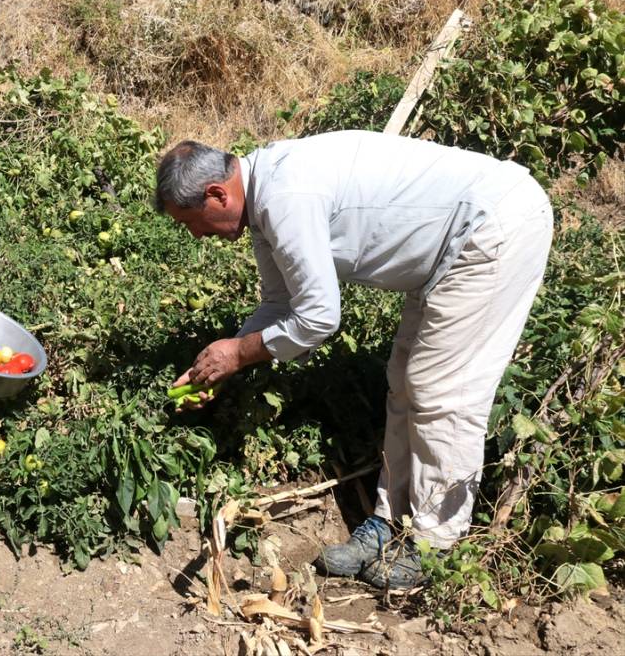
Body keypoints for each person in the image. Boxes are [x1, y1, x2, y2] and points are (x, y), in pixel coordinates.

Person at [156, 130, 552, 588]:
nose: (197, 235)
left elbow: (320, 317)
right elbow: (281, 305)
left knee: (443, 390)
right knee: (404, 380)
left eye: (191, 221)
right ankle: (392, 521)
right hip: (456, 242)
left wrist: (239, 353)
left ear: (216, 194)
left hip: (494, 225)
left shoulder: (286, 197)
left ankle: (434, 543)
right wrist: (224, 362)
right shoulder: (264, 201)